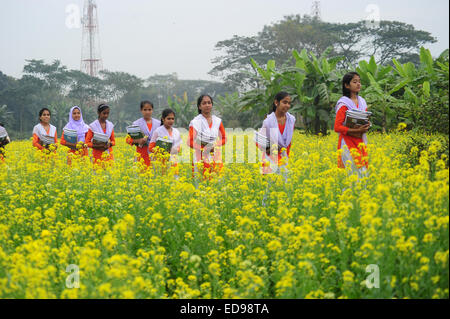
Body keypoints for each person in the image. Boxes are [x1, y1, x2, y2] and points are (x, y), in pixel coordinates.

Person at [334, 72, 370, 178]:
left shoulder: (362, 102)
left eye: (359, 81)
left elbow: (366, 119)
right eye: (355, 82)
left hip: (360, 142)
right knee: (350, 175)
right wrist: (357, 131)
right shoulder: (344, 104)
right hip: (347, 142)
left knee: (363, 174)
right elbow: (337, 127)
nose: (358, 84)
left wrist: (366, 126)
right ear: (347, 85)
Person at [256, 92, 296, 176]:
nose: (287, 106)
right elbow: (258, 140)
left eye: (289, 103)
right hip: (270, 160)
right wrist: (273, 150)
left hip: (284, 159)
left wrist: (285, 157)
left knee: (284, 187)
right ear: (276, 103)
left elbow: (288, 142)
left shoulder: (291, 120)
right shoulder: (268, 122)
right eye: (284, 102)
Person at [187, 95, 226, 178]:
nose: (207, 105)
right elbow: (190, 142)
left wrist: (214, 145)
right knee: (202, 183)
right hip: (200, 157)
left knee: (217, 183)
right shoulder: (195, 122)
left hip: (215, 155)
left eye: (209, 103)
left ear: (212, 105)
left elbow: (224, 139)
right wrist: (203, 148)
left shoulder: (217, 121)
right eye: (204, 103)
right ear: (199, 106)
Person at [126, 101, 160, 167]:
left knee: (155, 174)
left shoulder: (158, 123)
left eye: (149, 110)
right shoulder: (136, 123)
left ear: (152, 110)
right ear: (141, 110)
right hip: (141, 154)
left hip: (155, 154)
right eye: (145, 110)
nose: (147, 112)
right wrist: (138, 141)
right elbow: (128, 139)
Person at [149, 108, 182, 176]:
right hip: (161, 163)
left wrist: (176, 150)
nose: (171, 121)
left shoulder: (176, 132)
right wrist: (160, 150)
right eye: (168, 118)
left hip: (173, 162)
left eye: (172, 119)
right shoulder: (157, 131)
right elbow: (150, 147)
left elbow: (179, 147)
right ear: (163, 119)